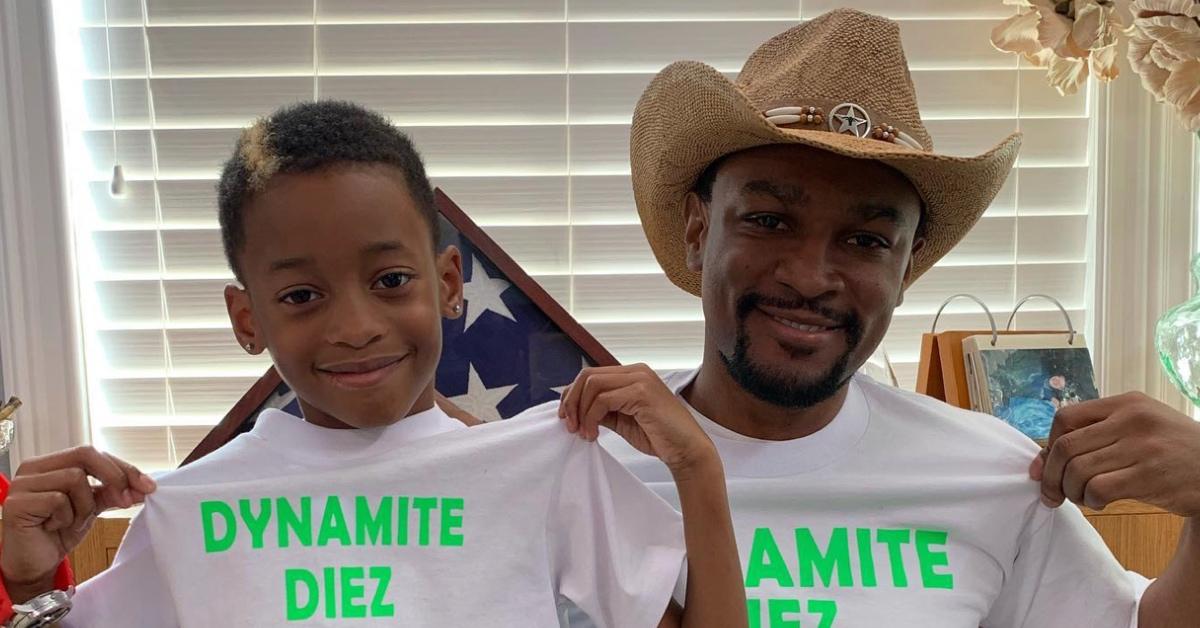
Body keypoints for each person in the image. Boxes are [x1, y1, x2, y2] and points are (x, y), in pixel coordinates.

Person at [549, 8, 1200, 627]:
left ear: (908, 264)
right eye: (769, 221)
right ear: (698, 230)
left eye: (866, 240)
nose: (808, 277)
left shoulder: (992, 475)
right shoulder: (573, 467)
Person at [0, 101, 746, 627]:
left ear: (448, 284)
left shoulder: (542, 473)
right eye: (301, 294)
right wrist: (31, 580)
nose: (355, 327)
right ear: (247, 320)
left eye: (391, 280)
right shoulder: (190, 513)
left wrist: (699, 471)